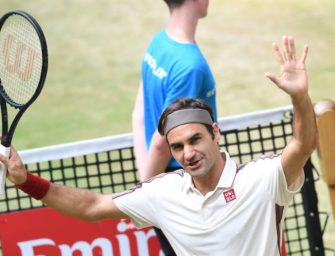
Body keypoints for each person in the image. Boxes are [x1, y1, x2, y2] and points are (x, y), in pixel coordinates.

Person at [1, 36, 317, 255]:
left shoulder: (261, 179)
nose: (188, 154)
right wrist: (26, 181)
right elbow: (92, 206)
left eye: (195, 139)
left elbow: (303, 145)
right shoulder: (162, 193)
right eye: (177, 147)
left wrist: (299, 97)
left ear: (215, 133)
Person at [132, 0, 217, 252]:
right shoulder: (190, 67)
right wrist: (143, 195)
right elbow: (163, 143)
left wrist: (145, 183)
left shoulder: (157, 43)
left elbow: (138, 114)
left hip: (162, 181)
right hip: (185, 189)